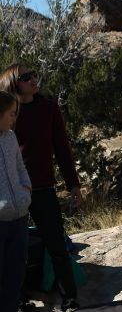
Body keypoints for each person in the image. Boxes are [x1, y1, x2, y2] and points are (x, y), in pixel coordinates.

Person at [0, 65, 81, 312]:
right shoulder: (8, 112)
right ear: (14, 82)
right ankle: (19, 298)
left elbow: (62, 148)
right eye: (26, 77)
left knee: (56, 244)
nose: (34, 79)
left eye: (34, 74)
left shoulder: (48, 108)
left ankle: (70, 298)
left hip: (42, 187)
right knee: (15, 252)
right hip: (11, 195)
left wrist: (73, 184)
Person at [0, 90, 32, 312]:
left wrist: (26, 190)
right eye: (11, 113)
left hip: (19, 217)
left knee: (15, 276)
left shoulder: (10, 137)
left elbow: (20, 167)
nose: (14, 118)